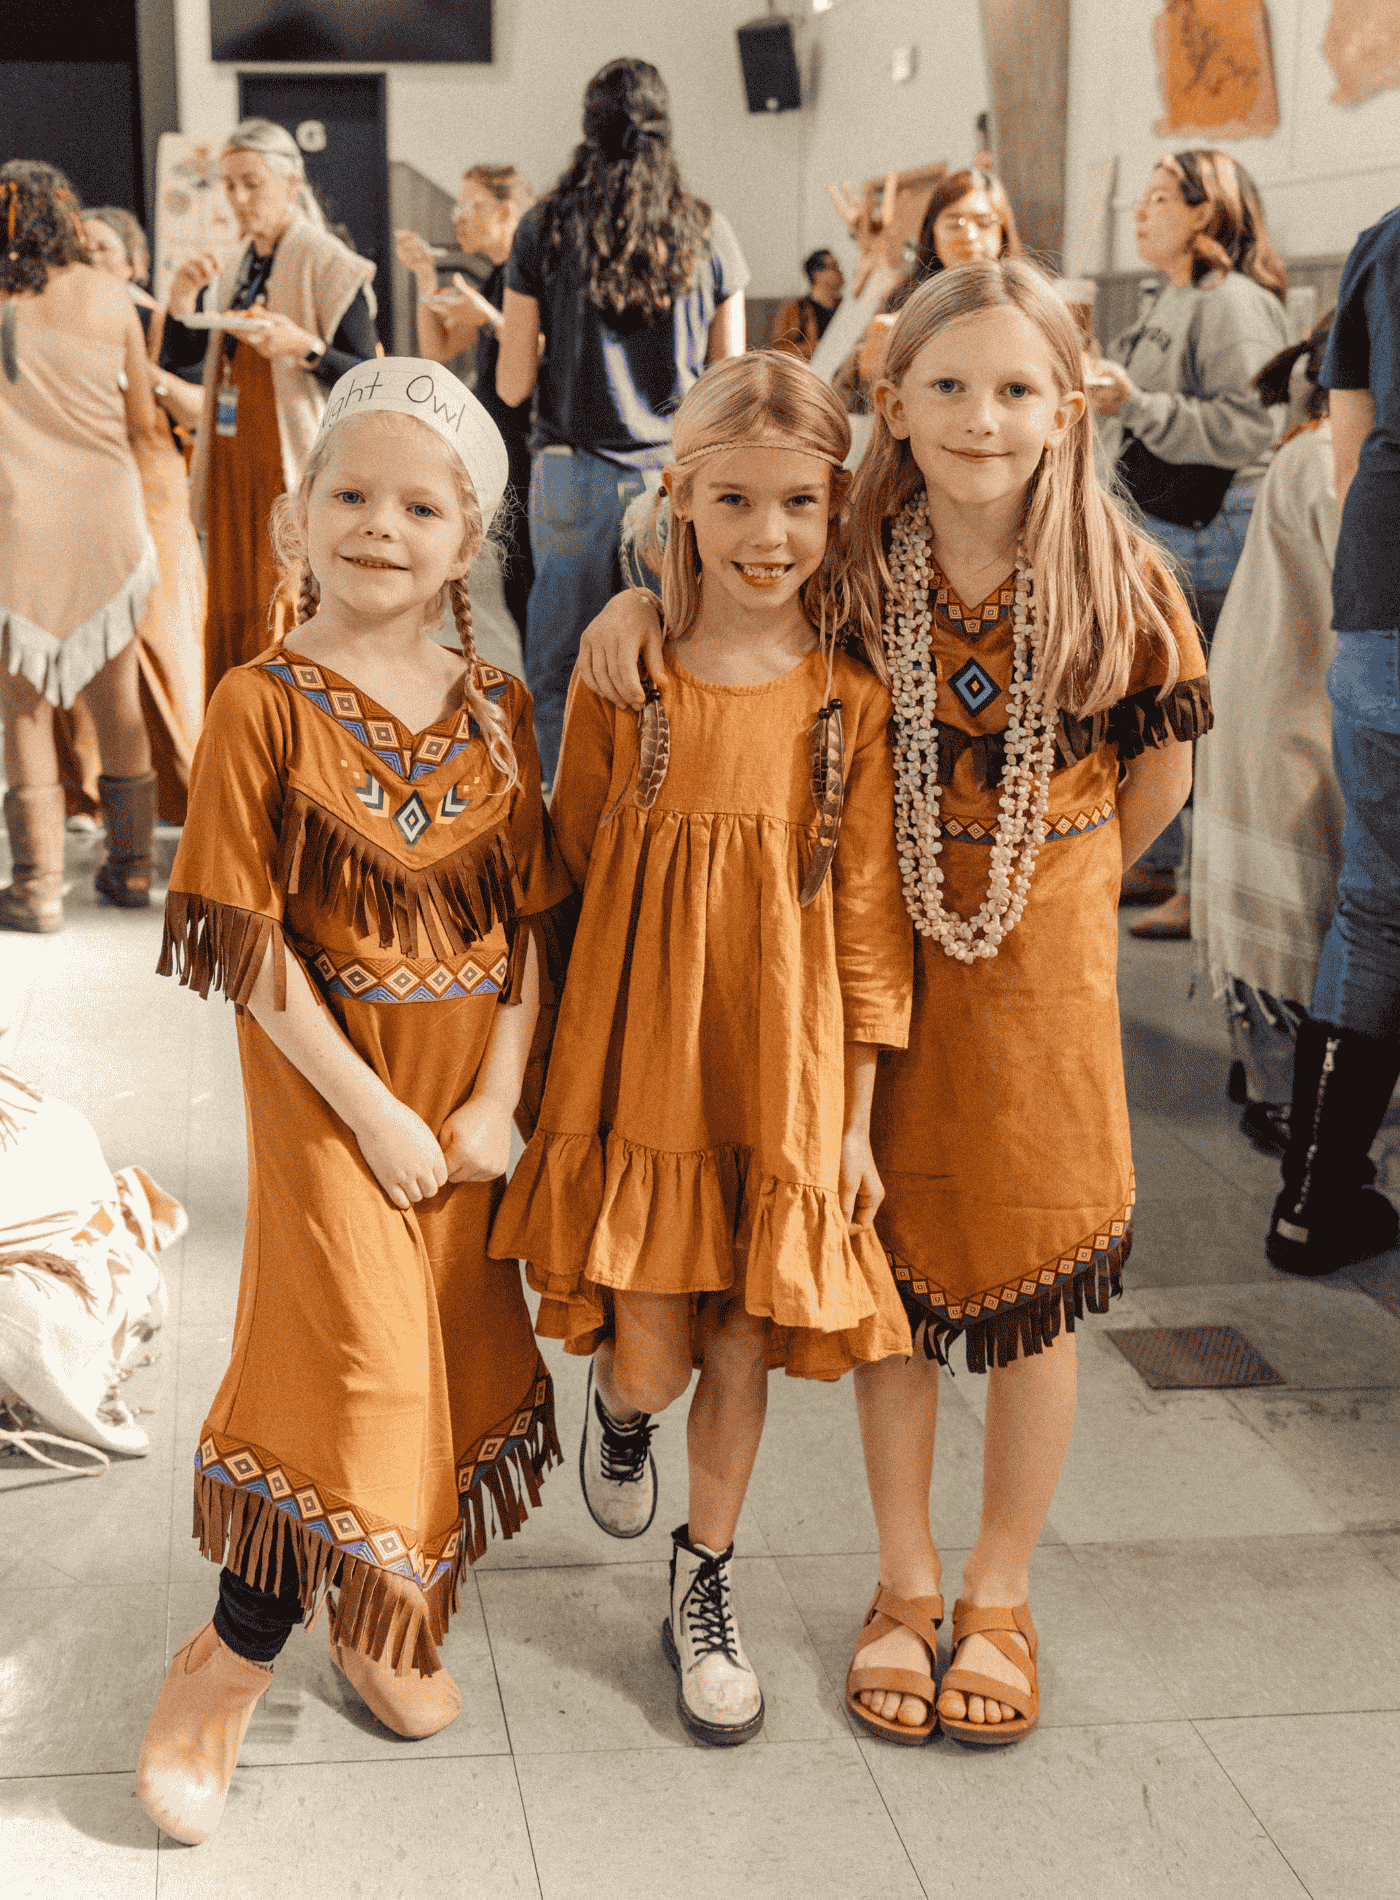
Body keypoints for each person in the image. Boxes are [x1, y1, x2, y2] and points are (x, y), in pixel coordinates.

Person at [574, 260, 1207, 1744]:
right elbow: (734, 547)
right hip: (875, 969)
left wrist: (1084, 873)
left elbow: (1166, 746)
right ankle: (904, 1578)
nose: (981, 420)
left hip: (1043, 984)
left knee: (1033, 1290)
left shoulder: (1116, 568)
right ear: (893, 402)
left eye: (1014, 391)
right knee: (895, 1284)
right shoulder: (862, 561)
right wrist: (623, 603)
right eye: (947, 389)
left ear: (1067, 406)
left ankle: (999, 1590)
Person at [135, 359, 572, 1846]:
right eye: (351, 494)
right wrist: (373, 1112)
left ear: (469, 543)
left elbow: (526, 933)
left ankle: (378, 1618)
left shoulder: (504, 709)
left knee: (443, 1355)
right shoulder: (258, 705)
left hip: (466, 1106)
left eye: (421, 505)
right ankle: (228, 1660)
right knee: (356, 1370)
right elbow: (249, 954)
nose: (381, 525)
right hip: (332, 1095)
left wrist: (500, 1098)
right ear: (295, 518)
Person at [489, 351, 913, 1746]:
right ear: (679, 497)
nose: (767, 537)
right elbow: (563, 868)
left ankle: (704, 1573)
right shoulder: (630, 671)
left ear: (837, 510)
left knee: (745, 1336)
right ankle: (621, 1414)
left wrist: (852, 1125)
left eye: (798, 505)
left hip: (777, 1067)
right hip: (644, 1056)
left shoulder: (853, 698)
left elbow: (864, 929)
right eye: (733, 501)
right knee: (659, 1361)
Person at [495, 56, 749, 781]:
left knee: (560, 669)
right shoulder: (708, 232)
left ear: (588, 128)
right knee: (671, 659)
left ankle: (562, 834)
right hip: (672, 483)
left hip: (570, 475)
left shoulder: (543, 227)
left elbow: (512, 383)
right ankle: (655, 819)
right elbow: (728, 384)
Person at [1089, 149, 1289, 939]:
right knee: (1150, 702)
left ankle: (1204, 888)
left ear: (1207, 212)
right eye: (1138, 197)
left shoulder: (1230, 301)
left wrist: (1137, 403)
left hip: (1211, 530)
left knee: (1197, 710)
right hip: (1167, 523)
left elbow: (1250, 426)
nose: (1139, 212)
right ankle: (1163, 858)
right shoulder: (1167, 296)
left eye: (1161, 197)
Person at [1266, 202, 1400, 1276]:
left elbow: (1346, 454)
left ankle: (1310, 1194)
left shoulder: (1381, 240)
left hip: (1380, 597)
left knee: (1373, 899)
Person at [159, 118, 378, 703]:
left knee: (285, 606)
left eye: (250, 183)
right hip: (232, 465)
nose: (237, 199)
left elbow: (369, 374)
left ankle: (286, 741)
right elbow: (192, 367)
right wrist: (181, 305)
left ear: (291, 180)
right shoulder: (234, 264)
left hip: (289, 466)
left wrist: (303, 348)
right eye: (228, 185)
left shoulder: (327, 260)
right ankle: (233, 733)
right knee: (232, 606)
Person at [1191, 318, 1344, 1156]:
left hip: (1275, 697)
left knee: (1278, 885)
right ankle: (1280, 1090)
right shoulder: (1325, 458)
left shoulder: (1313, 448)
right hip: (1290, 707)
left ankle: (1267, 1072)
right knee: (1289, 891)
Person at [0, 160, 165, 932]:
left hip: (19, 518)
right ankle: (131, 873)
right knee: (118, 699)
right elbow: (142, 421)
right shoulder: (112, 298)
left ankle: (36, 892)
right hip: (107, 515)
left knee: (23, 706)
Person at [71, 206, 206, 826]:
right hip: (86, 496)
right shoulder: (64, 325)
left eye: (102, 250)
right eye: (80, 251)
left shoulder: (161, 320)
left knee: (160, 638)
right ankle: (90, 796)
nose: (90, 261)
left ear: (133, 262)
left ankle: (182, 790)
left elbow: (203, 410)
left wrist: (141, 374)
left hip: (154, 490)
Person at [397, 164, 536, 651]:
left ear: (506, 212)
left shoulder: (538, 274)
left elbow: (546, 353)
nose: (459, 218)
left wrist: (492, 318)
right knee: (515, 586)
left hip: (535, 446)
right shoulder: (499, 276)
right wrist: (422, 277)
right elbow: (437, 349)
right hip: (504, 451)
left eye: (469, 206)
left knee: (534, 591)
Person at [832, 167, 1022, 409]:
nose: (970, 235)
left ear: (1002, 231)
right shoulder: (903, 299)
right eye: (954, 223)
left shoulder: (1024, 302)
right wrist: (866, 368)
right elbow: (842, 397)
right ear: (932, 232)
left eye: (984, 222)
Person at [771, 247, 845, 360]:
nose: (839, 272)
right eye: (834, 266)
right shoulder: (794, 309)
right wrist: (817, 348)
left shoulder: (844, 307)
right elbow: (779, 349)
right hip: (810, 372)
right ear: (817, 273)